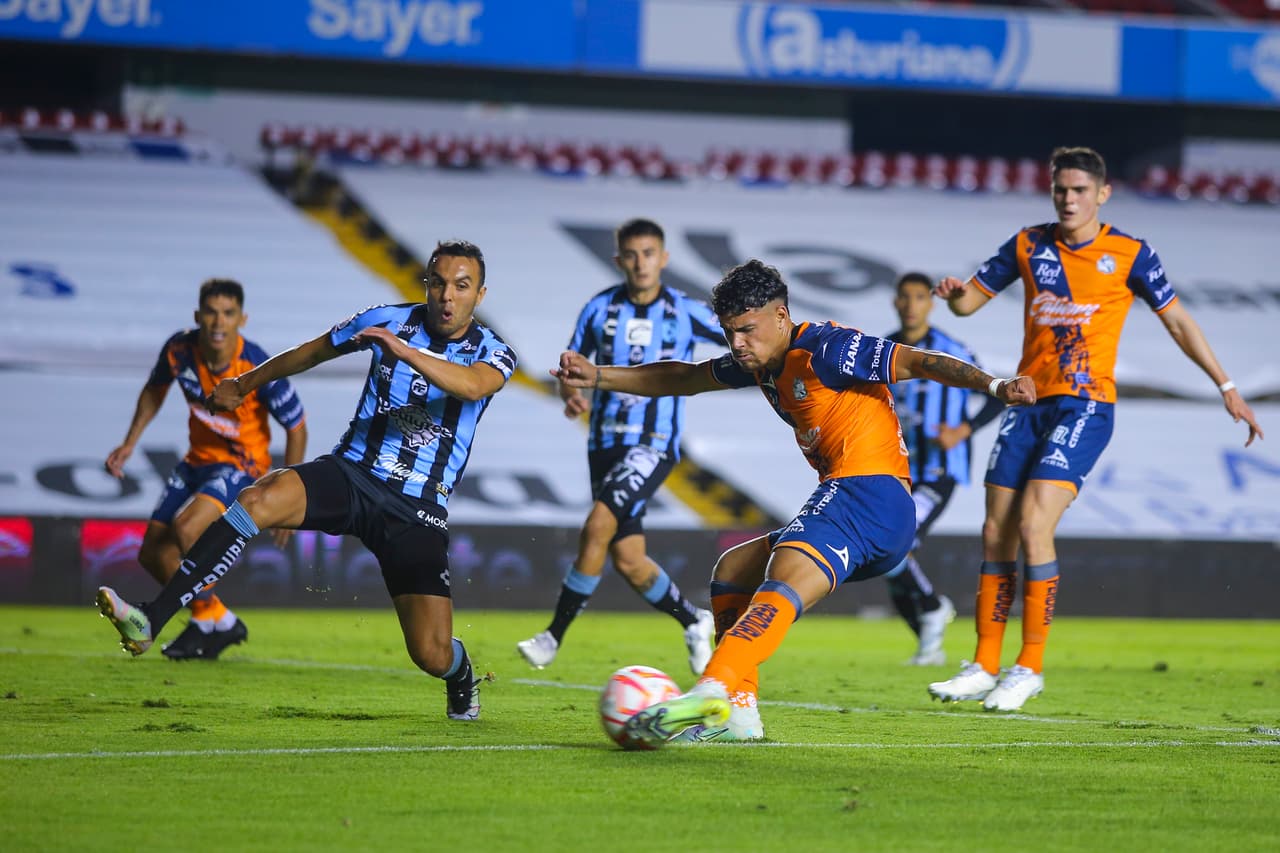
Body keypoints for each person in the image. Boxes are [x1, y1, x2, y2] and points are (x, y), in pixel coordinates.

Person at [553, 258, 1035, 747]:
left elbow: (918, 361)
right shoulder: (760, 361)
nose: (737, 344)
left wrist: (994, 386)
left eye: (746, 330)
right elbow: (682, 378)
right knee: (734, 569)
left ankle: (712, 688)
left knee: (783, 570)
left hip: (870, 493)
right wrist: (598, 377)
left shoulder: (828, 347)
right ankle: (738, 714)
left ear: (781, 316)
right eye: (728, 332)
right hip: (858, 503)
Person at [97, 240, 516, 721]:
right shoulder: (386, 319)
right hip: (353, 474)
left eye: (461, 286)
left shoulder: (494, 351)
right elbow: (311, 352)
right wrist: (246, 383)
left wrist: (400, 350)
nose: (447, 295)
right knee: (257, 498)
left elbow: (471, 386)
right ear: (425, 284)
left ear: (479, 295)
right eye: (438, 283)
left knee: (431, 654)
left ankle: (461, 675)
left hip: (416, 509)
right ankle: (152, 619)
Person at [927, 146, 1265, 712]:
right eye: (1061, 189)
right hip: (1027, 400)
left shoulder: (1129, 253)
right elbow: (968, 308)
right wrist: (954, 293)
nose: (1068, 199)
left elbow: (1178, 321)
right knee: (995, 531)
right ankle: (985, 664)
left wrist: (1227, 386)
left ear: (1102, 194)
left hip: (1085, 405)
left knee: (1035, 524)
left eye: (1080, 190)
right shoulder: (1028, 244)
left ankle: (1028, 666)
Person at [516, 218, 724, 675]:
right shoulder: (598, 309)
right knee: (628, 560)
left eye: (649, 253)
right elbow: (571, 366)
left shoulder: (686, 311)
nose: (640, 263)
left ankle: (553, 636)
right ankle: (693, 621)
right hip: (604, 442)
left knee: (597, 527)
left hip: (653, 442)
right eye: (631, 254)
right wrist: (570, 392)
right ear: (618, 261)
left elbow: (735, 338)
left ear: (664, 259)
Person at [104, 278, 307, 660]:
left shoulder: (257, 365)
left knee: (187, 527)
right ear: (198, 316)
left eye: (228, 313)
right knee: (152, 553)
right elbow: (154, 389)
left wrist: (289, 488)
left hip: (243, 464)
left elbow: (297, 426)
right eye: (211, 312)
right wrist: (130, 442)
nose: (218, 322)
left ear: (241, 319)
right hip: (197, 460)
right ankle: (216, 621)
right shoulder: (179, 349)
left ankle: (197, 622)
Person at [883, 272, 1006, 665]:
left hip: (939, 470)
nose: (911, 304)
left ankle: (934, 608)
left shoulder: (952, 349)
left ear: (930, 304)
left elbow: (996, 395)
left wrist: (963, 430)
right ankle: (928, 643)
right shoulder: (885, 349)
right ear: (896, 302)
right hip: (897, 469)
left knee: (894, 544)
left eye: (919, 297)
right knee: (884, 557)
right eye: (905, 297)